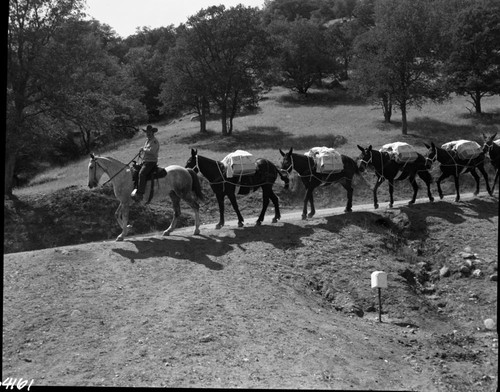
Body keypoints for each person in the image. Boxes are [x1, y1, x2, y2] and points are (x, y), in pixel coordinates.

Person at [131, 125, 160, 202]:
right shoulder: (147, 141)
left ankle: (140, 194)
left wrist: (143, 149)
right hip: (146, 161)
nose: (148, 133)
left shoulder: (154, 141)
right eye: (147, 132)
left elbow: (152, 151)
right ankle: (135, 188)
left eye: (149, 132)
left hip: (151, 162)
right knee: (135, 171)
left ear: (153, 132)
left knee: (142, 174)